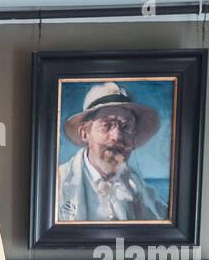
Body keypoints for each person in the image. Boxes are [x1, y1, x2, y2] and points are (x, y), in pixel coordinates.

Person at [56, 82, 168, 222]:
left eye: (125, 127)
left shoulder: (143, 191)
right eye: (107, 126)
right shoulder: (58, 184)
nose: (117, 136)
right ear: (85, 134)